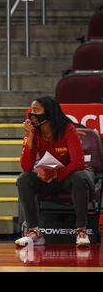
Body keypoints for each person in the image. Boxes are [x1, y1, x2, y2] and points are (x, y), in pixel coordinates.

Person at [15, 96, 95, 248]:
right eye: (31, 110)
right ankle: (34, 231)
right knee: (24, 179)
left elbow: (78, 163)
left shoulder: (67, 129)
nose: (32, 114)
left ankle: (81, 231)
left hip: (69, 177)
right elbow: (26, 167)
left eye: (37, 110)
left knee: (79, 177)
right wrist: (30, 138)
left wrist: (57, 174)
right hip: (50, 179)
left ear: (49, 113)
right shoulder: (33, 132)